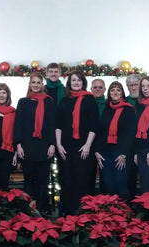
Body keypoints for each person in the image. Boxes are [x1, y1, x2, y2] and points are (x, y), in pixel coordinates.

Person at [56, 71, 99, 215]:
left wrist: (87, 145)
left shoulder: (89, 99)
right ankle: (67, 212)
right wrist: (59, 144)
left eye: (79, 80)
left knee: (82, 180)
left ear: (83, 83)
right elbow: (58, 125)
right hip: (66, 147)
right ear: (69, 83)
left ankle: (82, 212)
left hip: (84, 146)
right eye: (73, 80)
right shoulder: (64, 101)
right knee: (67, 180)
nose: (76, 82)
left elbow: (94, 125)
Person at [14, 72, 56, 214]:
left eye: (38, 83)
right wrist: (18, 144)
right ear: (30, 84)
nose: (36, 85)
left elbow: (52, 124)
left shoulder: (49, 102)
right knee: (29, 179)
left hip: (44, 146)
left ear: (42, 85)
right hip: (27, 146)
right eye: (33, 82)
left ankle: (43, 208)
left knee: (43, 179)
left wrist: (52, 144)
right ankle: (29, 209)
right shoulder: (23, 102)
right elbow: (18, 124)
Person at [95, 81, 136, 201]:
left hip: (121, 152)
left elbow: (130, 133)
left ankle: (123, 213)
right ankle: (111, 213)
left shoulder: (129, 110)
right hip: (105, 152)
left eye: (118, 90)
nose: (115, 92)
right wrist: (97, 151)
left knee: (121, 182)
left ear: (122, 93)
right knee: (108, 183)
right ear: (109, 93)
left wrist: (124, 154)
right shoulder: (107, 110)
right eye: (112, 90)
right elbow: (101, 132)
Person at [125, 74, 140, 197]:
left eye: (136, 85)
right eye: (131, 85)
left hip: (144, 144)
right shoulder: (123, 101)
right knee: (129, 178)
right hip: (128, 146)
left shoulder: (147, 101)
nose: (134, 88)